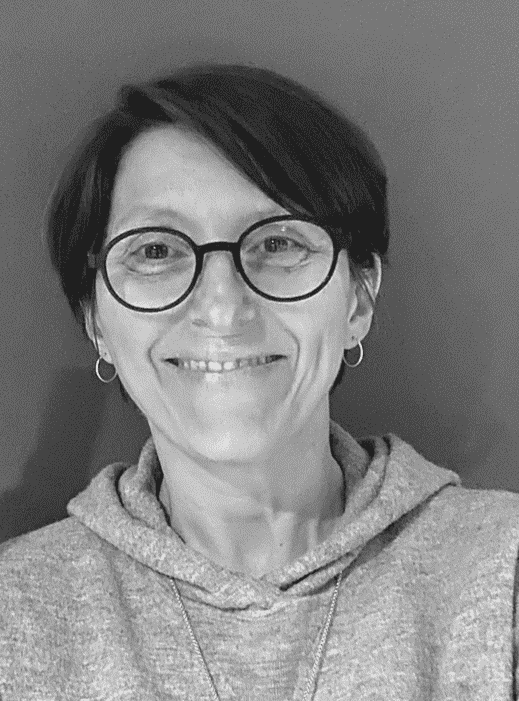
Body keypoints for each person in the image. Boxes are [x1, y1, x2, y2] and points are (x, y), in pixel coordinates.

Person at [0, 62, 518, 701]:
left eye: (277, 244)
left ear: (358, 299)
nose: (222, 309)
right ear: (96, 321)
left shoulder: (503, 574)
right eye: (156, 251)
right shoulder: (15, 614)